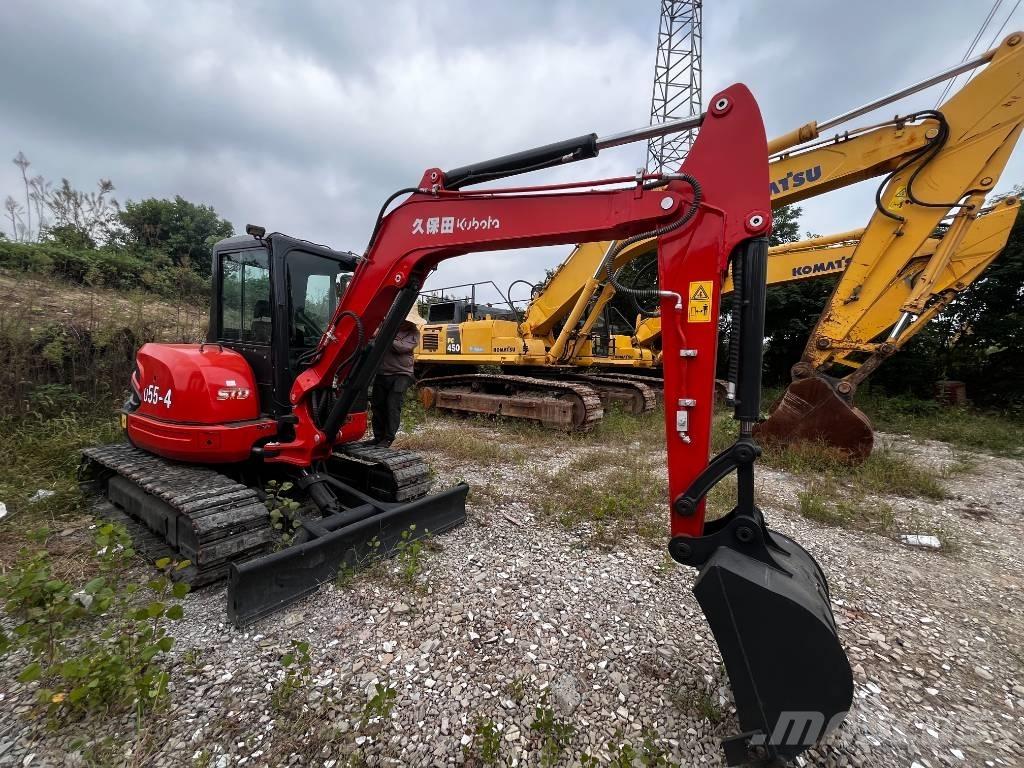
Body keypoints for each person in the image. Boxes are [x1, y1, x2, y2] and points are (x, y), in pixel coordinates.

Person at [369, 305, 424, 446]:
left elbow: (401, 347)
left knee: (393, 405)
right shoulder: (386, 327)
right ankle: (378, 436)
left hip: (402, 374)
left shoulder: (413, 333)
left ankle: (388, 438)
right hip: (382, 372)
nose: (406, 322)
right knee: (377, 405)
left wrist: (381, 336)